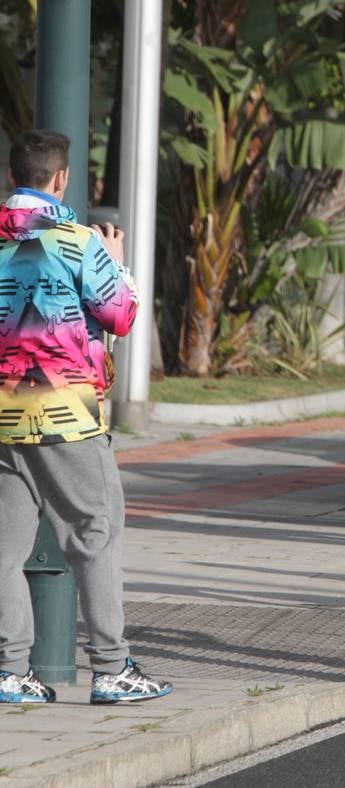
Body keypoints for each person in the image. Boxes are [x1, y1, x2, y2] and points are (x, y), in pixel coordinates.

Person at [0, 130, 172, 705]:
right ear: (61, 178)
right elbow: (120, 317)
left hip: (2, 414)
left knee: (3, 549)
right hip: (65, 413)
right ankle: (111, 667)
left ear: (12, 175)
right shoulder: (76, 240)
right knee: (96, 533)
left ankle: (9, 671)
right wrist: (117, 263)